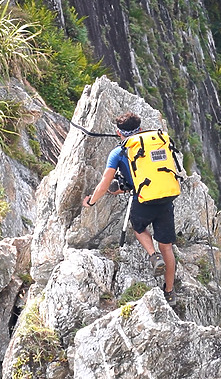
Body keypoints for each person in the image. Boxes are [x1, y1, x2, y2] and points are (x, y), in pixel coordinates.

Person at [82, 112, 177, 306]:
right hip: (166, 197)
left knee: (139, 229)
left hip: (144, 200)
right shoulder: (157, 142)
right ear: (140, 129)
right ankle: (169, 292)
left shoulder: (119, 152)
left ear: (119, 132)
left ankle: (152, 255)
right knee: (167, 246)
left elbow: (104, 183)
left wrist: (91, 201)